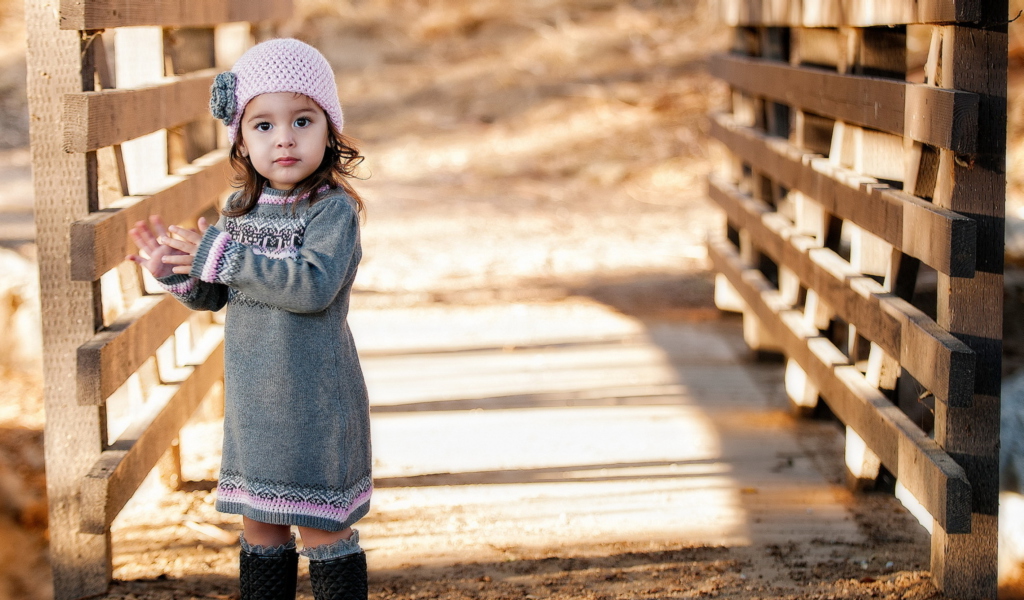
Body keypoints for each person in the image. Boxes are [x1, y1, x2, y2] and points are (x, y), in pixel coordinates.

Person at [126, 38, 371, 600]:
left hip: (313, 401)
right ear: (240, 138)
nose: (283, 137)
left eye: (302, 120)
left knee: (321, 526)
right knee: (260, 526)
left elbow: (311, 287)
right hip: (255, 404)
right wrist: (177, 272)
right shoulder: (237, 211)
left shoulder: (331, 211)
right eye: (263, 125)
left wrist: (222, 255)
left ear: (329, 131)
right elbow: (216, 295)